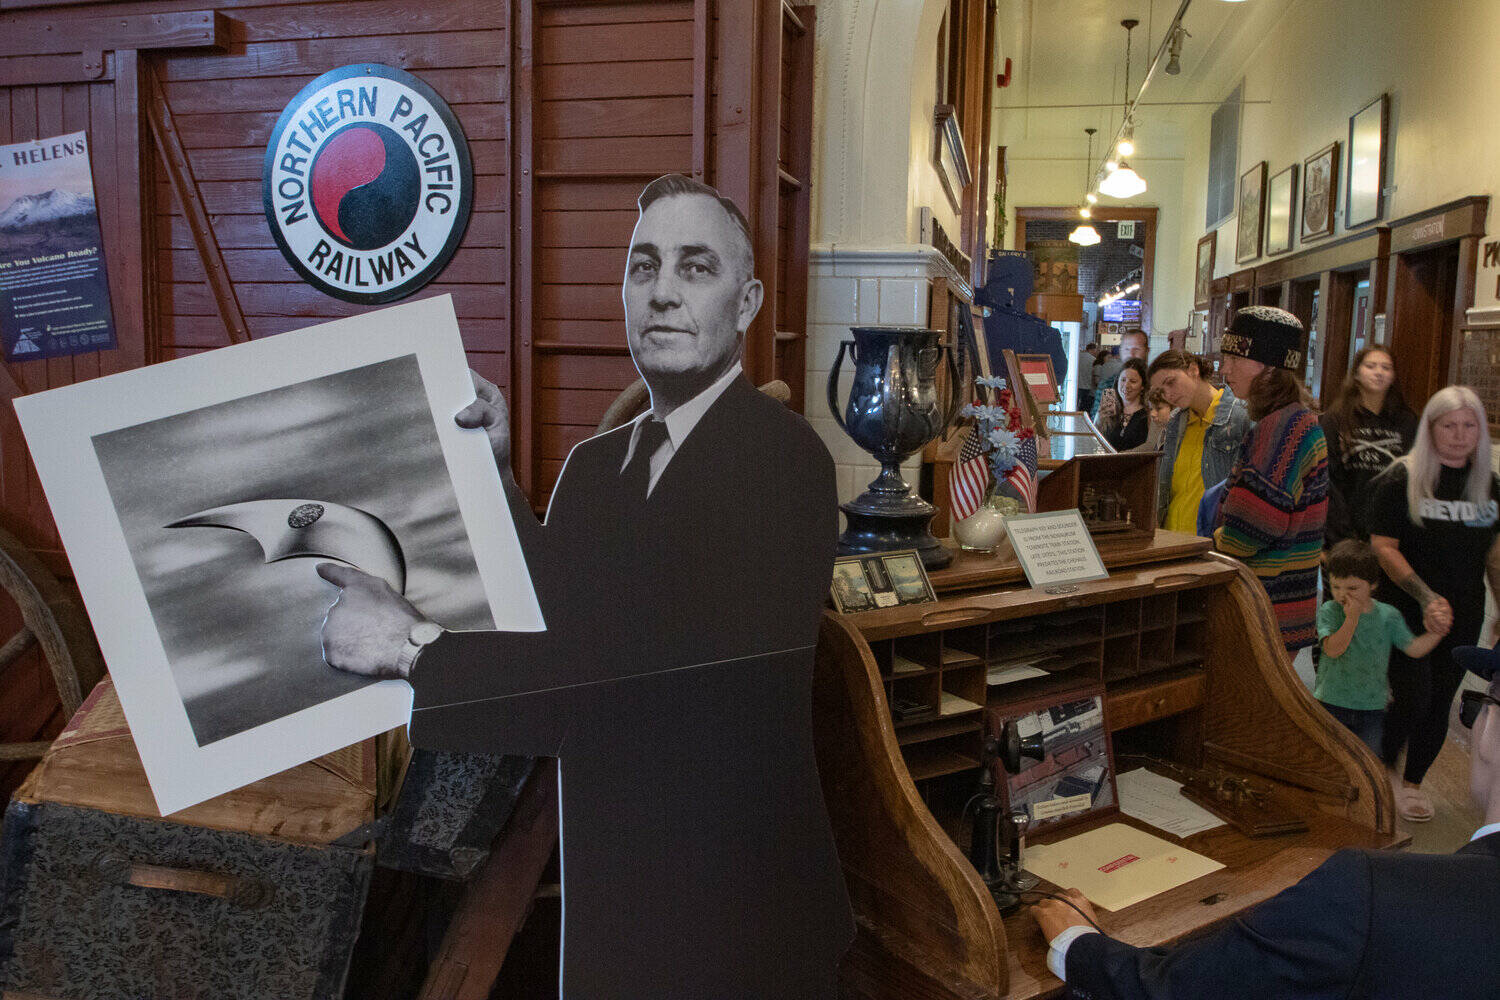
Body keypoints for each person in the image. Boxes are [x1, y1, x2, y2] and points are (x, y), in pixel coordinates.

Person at [316, 174, 853, 997]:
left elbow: (622, 688)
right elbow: (557, 621)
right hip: (613, 895)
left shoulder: (785, 465)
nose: (663, 293)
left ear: (745, 304)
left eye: (694, 268)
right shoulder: (596, 468)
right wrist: (492, 479)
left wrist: (409, 648)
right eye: (643, 268)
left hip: (742, 921)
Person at [1029, 641, 1500, 1000]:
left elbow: (1175, 991)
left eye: (1479, 704)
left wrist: (1076, 944)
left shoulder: (1365, 895)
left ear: (1491, 733)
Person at [1367, 385, 1500, 822]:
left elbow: (1494, 555)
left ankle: (1413, 782)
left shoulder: (1489, 486)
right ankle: (1383, 770)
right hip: (1405, 607)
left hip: (1464, 608)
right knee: (1413, 696)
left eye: (1469, 426)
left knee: (1441, 697)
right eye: (1449, 426)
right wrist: (1425, 597)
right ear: (1431, 428)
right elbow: (1384, 547)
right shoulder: (1401, 478)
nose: (1460, 435)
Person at [1214, 306, 1328, 651]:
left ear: (1269, 367)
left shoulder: (1280, 430)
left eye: (1236, 358)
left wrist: (1217, 537)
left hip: (1264, 610)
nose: (1225, 368)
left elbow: (1251, 529)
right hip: (1281, 609)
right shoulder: (1297, 420)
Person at [1315, 539, 1446, 753]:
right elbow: (1332, 649)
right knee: (1328, 761)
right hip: (1331, 704)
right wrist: (1351, 620)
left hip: (1371, 709)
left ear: (1373, 584)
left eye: (1352, 587)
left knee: (1368, 766)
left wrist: (1436, 633)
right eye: (1336, 586)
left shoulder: (1388, 615)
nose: (1342, 594)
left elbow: (1413, 648)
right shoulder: (1330, 610)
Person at [1320, 346, 1417, 547]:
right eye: (1371, 366)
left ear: (1393, 376)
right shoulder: (1335, 418)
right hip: (1342, 530)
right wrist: (1340, 531)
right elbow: (1328, 477)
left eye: (1386, 368)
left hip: (1391, 533)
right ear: (1356, 373)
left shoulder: (1407, 421)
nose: (1379, 372)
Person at [1146, 350, 1251, 535]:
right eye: (1162, 391)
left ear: (1193, 370)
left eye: (1171, 382)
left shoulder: (1240, 418)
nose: (1168, 394)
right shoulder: (1174, 425)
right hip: (1171, 539)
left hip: (1211, 543)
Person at [1092, 328, 1147, 426]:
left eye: (1136, 349)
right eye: (1126, 349)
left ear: (1147, 351)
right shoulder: (1108, 386)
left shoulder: (1155, 385)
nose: (1131, 354)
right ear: (1120, 351)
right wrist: (1100, 418)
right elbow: (1099, 426)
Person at [1100, 358, 1148, 451]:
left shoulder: (1149, 413)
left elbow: (1150, 447)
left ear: (1143, 386)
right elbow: (1096, 437)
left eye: (1133, 381)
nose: (1126, 385)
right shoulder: (1108, 403)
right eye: (1123, 380)